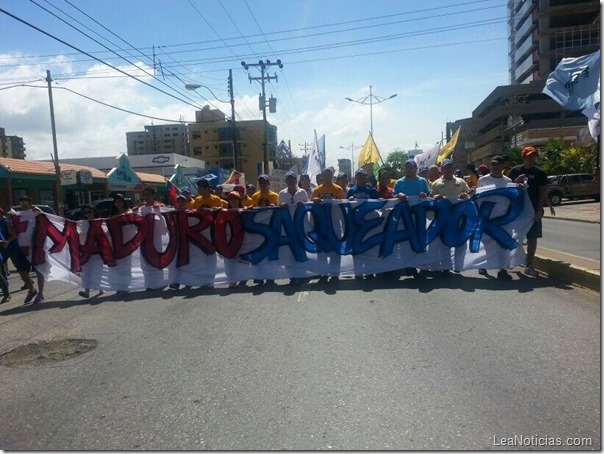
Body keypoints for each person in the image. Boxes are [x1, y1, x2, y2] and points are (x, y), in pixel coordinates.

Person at [508, 146, 549, 277]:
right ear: (523, 157)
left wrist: (539, 210)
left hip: (533, 211)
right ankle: (513, 260)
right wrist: (516, 182)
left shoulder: (540, 173)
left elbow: (543, 193)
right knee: (515, 237)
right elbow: (507, 191)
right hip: (518, 211)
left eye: (533, 156)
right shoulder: (515, 171)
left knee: (532, 238)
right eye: (528, 156)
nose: (531, 158)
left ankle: (529, 265)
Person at [476, 156, 514, 281]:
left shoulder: (508, 181)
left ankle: (502, 270)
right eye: (493, 164)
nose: (495, 167)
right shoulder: (482, 180)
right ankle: (484, 264)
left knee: (503, 244)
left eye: (498, 164)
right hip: (487, 218)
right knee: (486, 243)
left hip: (504, 218)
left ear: (503, 165)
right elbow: (478, 198)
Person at [432, 159, 472, 274]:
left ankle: (459, 266)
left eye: (450, 167)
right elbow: (431, 197)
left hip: (459, 217)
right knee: (444, 242)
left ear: (453, 169)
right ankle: (446, 267)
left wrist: (465, 195)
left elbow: (469, 194)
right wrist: (435, 196)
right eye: (446, 167)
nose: (448, 169)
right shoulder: (436, 183)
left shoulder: (461, 181)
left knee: (461, 241)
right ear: (442, 169)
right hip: (443, 217)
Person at [392, 159, 431, 278]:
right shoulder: (399, 182)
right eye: (407, 167)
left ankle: (420, 264)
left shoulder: (422, 181)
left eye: (411, 167)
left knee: (419, 239)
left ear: (416, 169)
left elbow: (429, 194)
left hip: (419, 217)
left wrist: (425, 195)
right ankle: (409, 266)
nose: (409, 169)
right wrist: (399, 195)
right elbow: (393, 195)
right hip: (404, 217)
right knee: (405, 241)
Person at [8, 196, 45, 304]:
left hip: (36, 247)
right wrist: (9, 220)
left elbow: (46, 220)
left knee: (39, 271)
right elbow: (13, 232)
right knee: (22, 272)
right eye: (21, 202)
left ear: (30, 203)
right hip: (22, 247)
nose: (23, 204)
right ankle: (32, 289)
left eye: (25, 202)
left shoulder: (35, 212)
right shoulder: (17, 216)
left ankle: (40, 294)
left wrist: (40, 211)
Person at [311, 168, 345, 281]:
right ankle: (323, 272)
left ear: (332, 176)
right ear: (322, 176)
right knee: (321, 249)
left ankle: (334, 273)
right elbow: (310, 205)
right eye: (325, 175)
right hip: (321, 224)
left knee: (336, 248)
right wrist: (314, 201)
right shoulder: (317, 190)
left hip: (335, 223)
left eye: (329, 175)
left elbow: (343, 205)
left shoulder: (338, 189)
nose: (327, 177)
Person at [347, 168, 380, 279]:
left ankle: (369, 270)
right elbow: (345, 207)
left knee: (369, 246)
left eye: (363, 176)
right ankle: (358, 271)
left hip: (369, 223)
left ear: (366, 177)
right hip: (356, 223)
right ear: (355, 177)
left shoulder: (372, 190)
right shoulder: (351, 191)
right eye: (358, 176)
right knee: (356, 247)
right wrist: (349, 200)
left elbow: (379, 205)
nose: (360, 178)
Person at [78, 205, 106, 298]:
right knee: (86, 272)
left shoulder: (101, 222)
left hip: (97, 251)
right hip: (86, 251)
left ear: (94, 212)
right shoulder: (82, 224)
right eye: (86, 212)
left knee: (99, 271)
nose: (88, 214)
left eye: (89, 212)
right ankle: (87, 291)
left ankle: (101, 288)